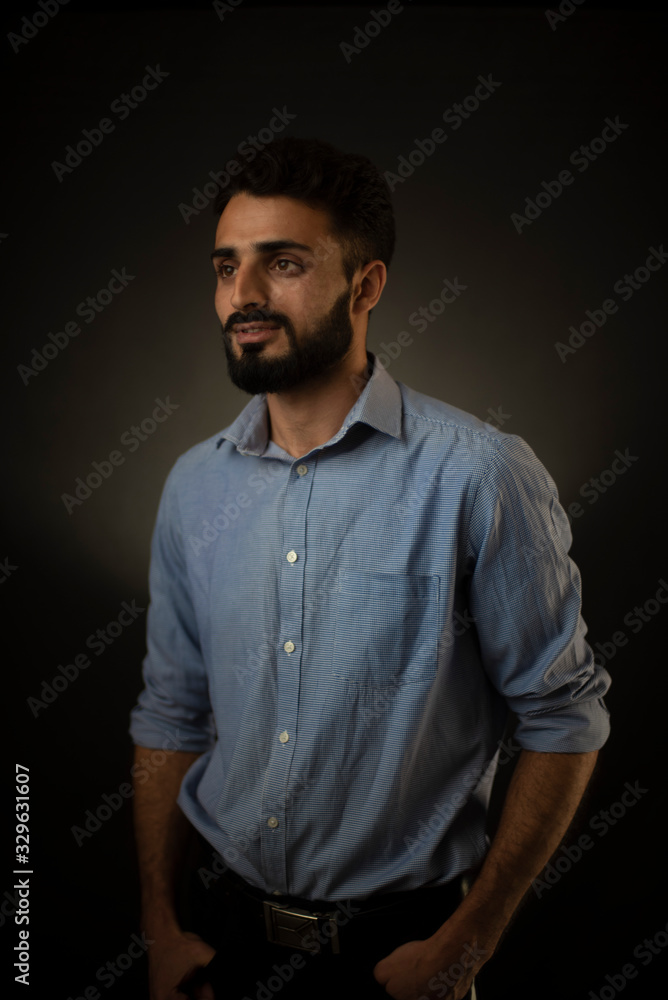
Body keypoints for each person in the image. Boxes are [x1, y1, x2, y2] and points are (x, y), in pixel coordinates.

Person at [129, 136, 611, 1000]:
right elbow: (171, 712)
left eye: (282, 264)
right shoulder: (194, 487)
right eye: (226, 266)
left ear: (367, 286)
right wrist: (161, 926)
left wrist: (469, 943)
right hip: (222, 948)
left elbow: (564, 717)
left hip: (401, 959)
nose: (242, 296)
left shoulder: (478, 475)